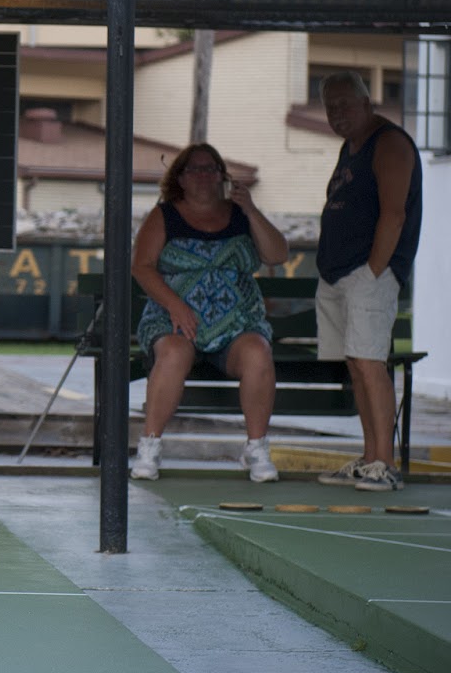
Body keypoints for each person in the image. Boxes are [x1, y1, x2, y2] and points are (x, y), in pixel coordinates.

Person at [129, 143, 289, 482]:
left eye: (211, 169)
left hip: (237, 323)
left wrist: (252, 211)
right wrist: (175, 305)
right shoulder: (165, 215)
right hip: (176, 320)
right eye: (194, 170)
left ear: (222, 177)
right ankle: (150, 447)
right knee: (172, 352)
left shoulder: (241, 215)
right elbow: (142, 267)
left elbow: (277, 255)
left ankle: (256, 449)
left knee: (258, 352)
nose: (203, 176)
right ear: (181, 178)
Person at [314, 71, 422, 493]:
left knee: (370, 363)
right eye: (330, 106)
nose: (337, 113)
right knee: (356, 365)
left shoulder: (389, 142)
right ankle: (369, 457)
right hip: (338, 273)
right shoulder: (350, 147)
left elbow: (394, 213)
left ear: (367, 102)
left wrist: (374, 271)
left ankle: (386, 465)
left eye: (344, 104)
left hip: (368, 273)